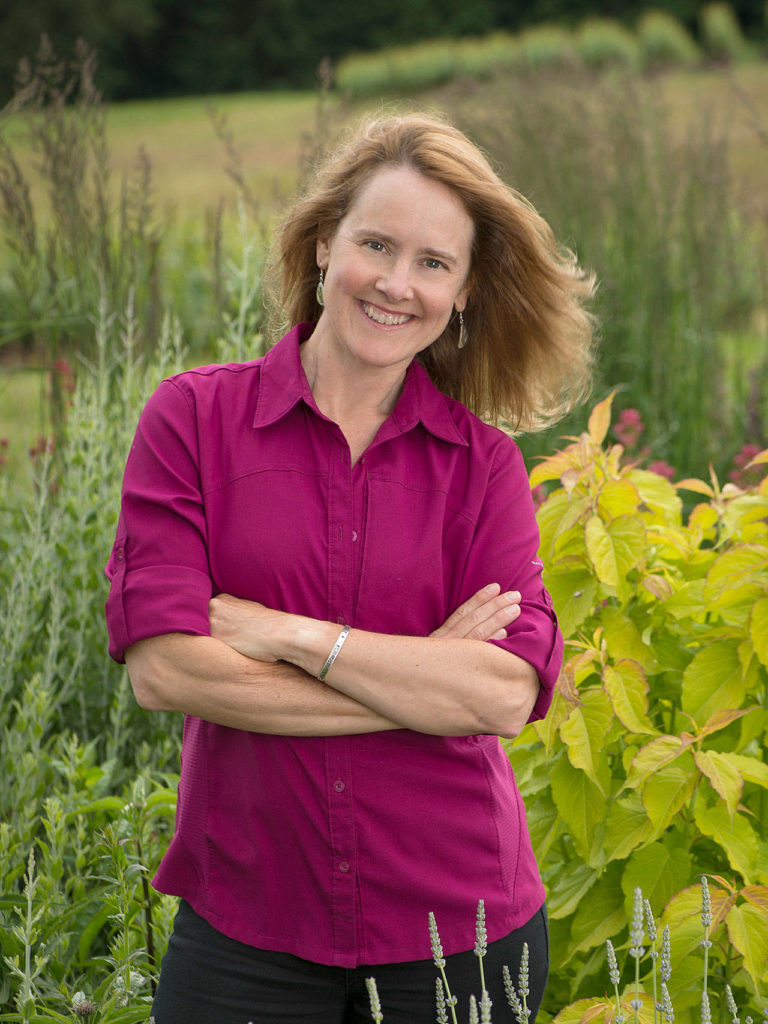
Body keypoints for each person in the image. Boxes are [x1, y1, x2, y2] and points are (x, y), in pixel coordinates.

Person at [105, 111, 595, 1023]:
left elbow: (497, 697)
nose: (397, 284)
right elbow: (165, 668)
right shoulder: (192, 423)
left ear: (463, 291)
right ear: (324, 244)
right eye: (377, 244)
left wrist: (287, 636)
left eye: (433, 263)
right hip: (246, 929)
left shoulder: (482, 466)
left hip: (462, 935)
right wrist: (415, 677)